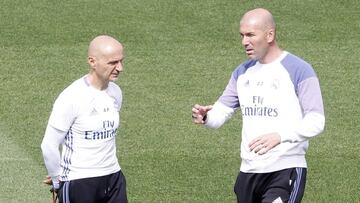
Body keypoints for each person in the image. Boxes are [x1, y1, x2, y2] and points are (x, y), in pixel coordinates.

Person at [192, 8, 325, 203]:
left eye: (250, 35)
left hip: (284, 169)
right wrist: (206, 116)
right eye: (242, 35)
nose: (244, 42)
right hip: (248, 172)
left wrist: (280, 136)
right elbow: (220, 113)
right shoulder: (242, 72)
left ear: (270, 35)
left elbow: (316, 120)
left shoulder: (298, 69)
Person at [41, 35, 128, 203]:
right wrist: (58, 179)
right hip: (79, 182)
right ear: (92, 61)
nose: (120, 68)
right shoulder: (71, 97)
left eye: (121, 61)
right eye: (113, 63)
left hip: (113, 176)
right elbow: (48, 145)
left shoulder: (115, 93)